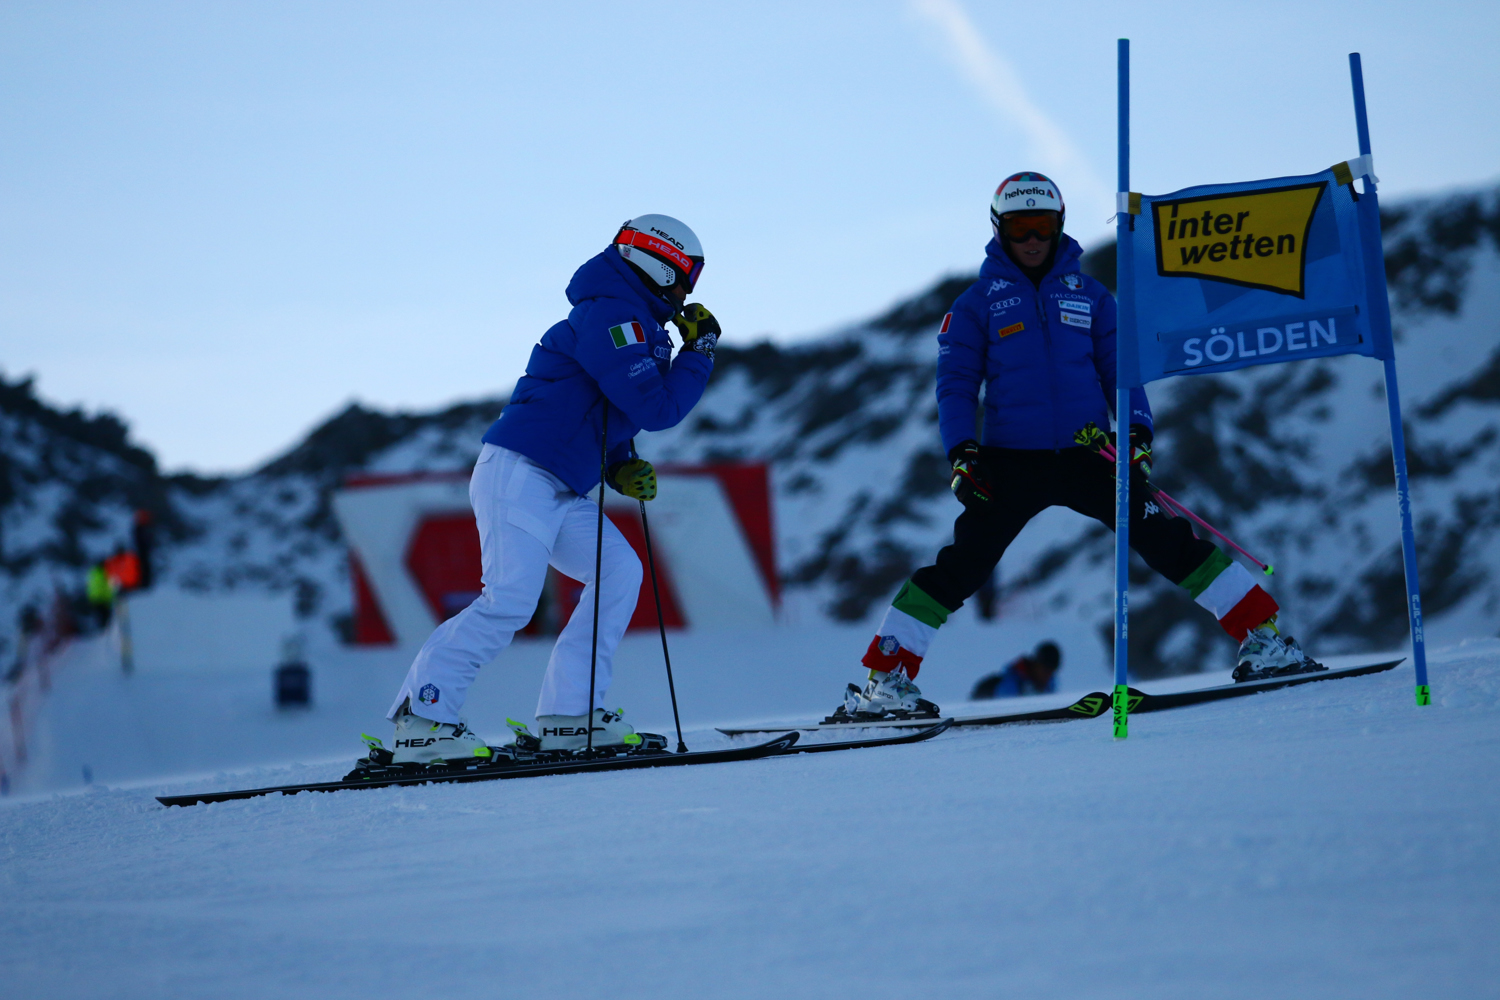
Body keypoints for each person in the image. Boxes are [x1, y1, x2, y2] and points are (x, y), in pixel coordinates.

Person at [832, 172, 1319, 722]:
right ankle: (884, 681)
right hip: (1010, 463)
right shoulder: (975, 305)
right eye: (1020, 227)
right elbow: (956, 385)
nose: (1032, 238)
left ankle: (1265, 640)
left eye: (1042, 225)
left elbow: (1122, 371)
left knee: (1168, 540)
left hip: (1092, 455)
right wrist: (962, 452)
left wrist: (1136, 433)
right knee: (961, 566)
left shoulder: (1091, 296)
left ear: (1059, 225)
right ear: (999, 229)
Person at [382, 215, 721, 763]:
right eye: (686, 278)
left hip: (559, 484)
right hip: (521, 472)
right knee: (510, 599)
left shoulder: (634, 323)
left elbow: (598, 407)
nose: (686, 293)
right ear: (659, 266)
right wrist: (700, 351)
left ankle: (570, 715)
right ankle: (422, 720)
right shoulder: (611, 315)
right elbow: (655, 408)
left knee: (619, 571)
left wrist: (618, 465)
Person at [969, 641, 1060, 700]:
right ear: (1036, 664)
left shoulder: (1049, 684)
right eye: (1045, 669)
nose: (1048, 675)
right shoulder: (1012, 684)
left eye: (1051, 671)